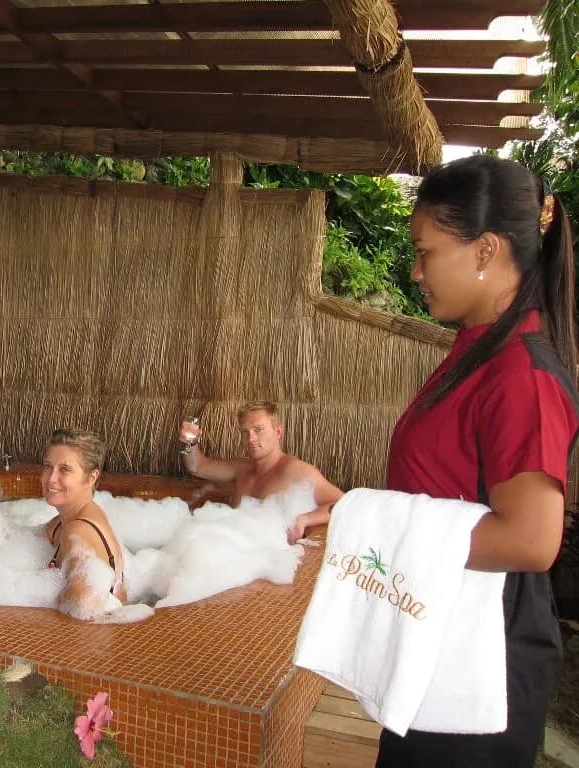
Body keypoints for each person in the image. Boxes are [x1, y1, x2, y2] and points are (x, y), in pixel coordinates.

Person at [380, 155, 578, 766]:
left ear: (487, 250)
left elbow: (530, 540)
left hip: (481, 660)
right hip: (440, 634)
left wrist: (381, 529)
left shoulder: (520, 372)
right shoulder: (476, 349)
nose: (415, 271)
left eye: (426, 251)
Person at [0, 429, 127, 620]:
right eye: (48, 466)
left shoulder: (78, 530)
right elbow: (10, 546)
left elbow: (84, 603)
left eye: (64, 469)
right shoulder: (63, 522)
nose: (51, 478)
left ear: (91, 478)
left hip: (92, 639)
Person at [179, 401, 343, 543]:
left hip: (270, 560)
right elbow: (197, 467)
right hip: (234, 550)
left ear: (277, 432)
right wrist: (190, 442)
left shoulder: (295, 471)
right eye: (245, 432)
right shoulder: (241, 468)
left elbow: (345, 504)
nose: (250, 438)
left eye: (258, 430)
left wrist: (305, 519)